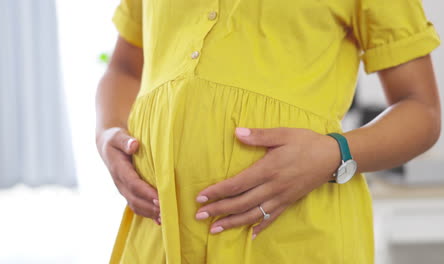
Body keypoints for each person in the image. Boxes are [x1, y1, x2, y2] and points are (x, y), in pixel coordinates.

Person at [95, 0, 441, 263]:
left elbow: (421, 109)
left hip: (293, 238)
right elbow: (125, 68)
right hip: (158, 237)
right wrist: (107, 132)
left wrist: (333, 153)